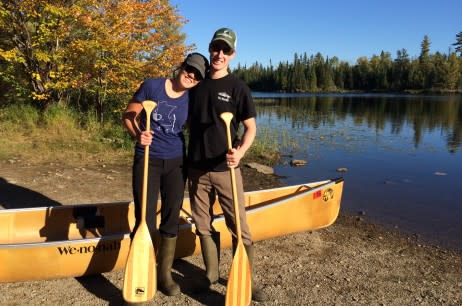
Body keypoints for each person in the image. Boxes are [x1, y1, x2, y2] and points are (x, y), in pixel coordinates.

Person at [187, 28, 267, 302]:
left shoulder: (238, 88)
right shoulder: (195, 83)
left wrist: (241, 152)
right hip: (196, 168)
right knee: (202, 224)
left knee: (239, 227)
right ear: (210, 49)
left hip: (226, 170)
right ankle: (210, 275)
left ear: (233, 54)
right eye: (216, 48)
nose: (219, 54)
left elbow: (250, 128)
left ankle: (246, 279)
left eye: (226, 50)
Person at [122, 53, 209, 296]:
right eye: (189, 69)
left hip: (176, 162)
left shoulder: (191, 99)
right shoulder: (152, 86)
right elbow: (129, 116)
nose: (191, 76)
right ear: (181, 66)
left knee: (171, 216)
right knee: (145, 217)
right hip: (148, 159)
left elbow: (199, 128)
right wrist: (138, 133)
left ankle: (164, 274)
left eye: (197, 75)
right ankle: (144, 268)